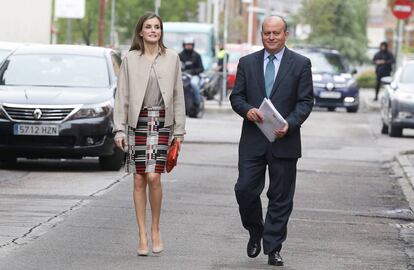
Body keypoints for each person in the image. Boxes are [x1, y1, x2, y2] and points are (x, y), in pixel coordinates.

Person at [230, 16, 314, 267]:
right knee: (244, 189)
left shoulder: (300, 64)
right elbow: (237, 97)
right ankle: (256, 230)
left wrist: (291, 123)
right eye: (267, 33)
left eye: (276, 33)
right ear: (261, 34)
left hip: (284, 141)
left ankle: (273, 247)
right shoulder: (247, 63)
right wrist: (247, 110)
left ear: (286, 34)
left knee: (280, 197)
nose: (271, 37)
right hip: (253, 141)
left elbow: (306, 101)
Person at [113, 12, 186, 256]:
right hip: (137, 122)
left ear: (161, 32)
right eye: (149, 27)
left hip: (162, 122)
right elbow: (121, 96)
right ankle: (142, 235)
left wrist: (180, 131)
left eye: (157, 27)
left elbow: (178, 95)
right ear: (141, 32)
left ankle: (155, 229)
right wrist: (119, 129)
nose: (153, 30)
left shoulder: (173, 57)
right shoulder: (130, 58)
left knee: (154, 177)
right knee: (138, 179)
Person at [179, 37, 204, 106]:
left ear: (193, 45)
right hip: (182, 76)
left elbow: (201, 68)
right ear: (184, 45)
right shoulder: (179, 55)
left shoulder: (197, 55)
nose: (189, 46)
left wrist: (192, 71)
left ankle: (197, 102)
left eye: (190, 44)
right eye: (187, 44)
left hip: (194, 76)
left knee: (194, 84)